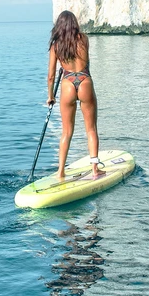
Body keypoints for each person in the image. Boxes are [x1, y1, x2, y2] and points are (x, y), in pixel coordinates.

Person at [48, 11, 105, 180]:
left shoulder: (55, 45)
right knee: (91, 129)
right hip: (84, 80)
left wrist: (51, 96)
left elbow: (51, 76)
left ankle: (60, 171)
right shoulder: (84, 39)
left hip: (67, 84)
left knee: (66, 132)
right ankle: (95, 169)